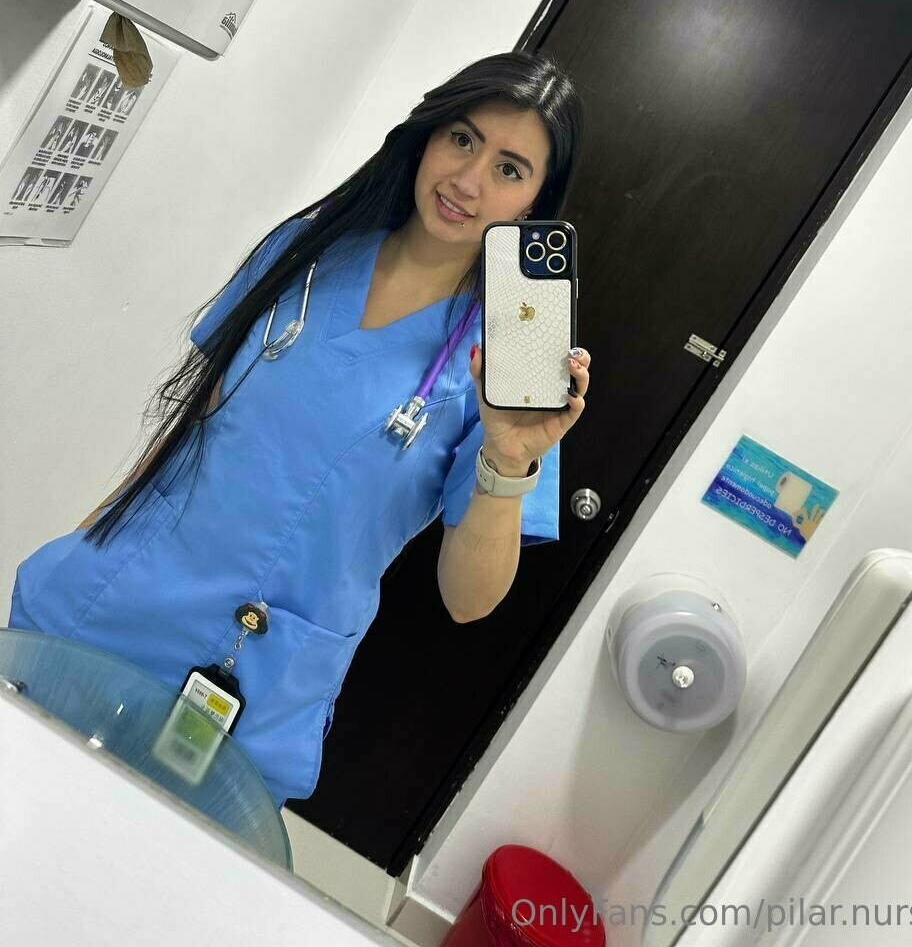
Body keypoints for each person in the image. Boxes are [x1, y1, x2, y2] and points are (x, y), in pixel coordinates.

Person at [7, 50, 592, 808]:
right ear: (428, 135)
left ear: (536, 201)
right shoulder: (307, 250)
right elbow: (192, 424)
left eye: (510, 169)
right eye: (462, 139)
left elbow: (467, 599)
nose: (469, 180)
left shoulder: (506, 365)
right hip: (108, 602)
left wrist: (508, 459)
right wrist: (96, 530)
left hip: (245, 684)